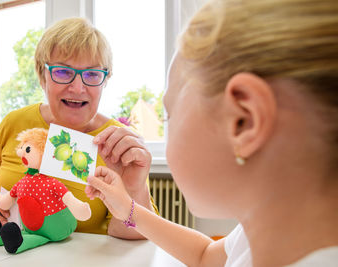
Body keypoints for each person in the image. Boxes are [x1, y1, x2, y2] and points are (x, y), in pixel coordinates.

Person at [85, 0, 338, 266]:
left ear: (243, 121)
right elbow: (205, 256)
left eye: (169, 114)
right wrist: (128, 208)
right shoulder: (277, 225)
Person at [0, 17, 157, 240]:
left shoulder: (119, 144)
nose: (78, 87)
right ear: (42, 75)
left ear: (105, 81)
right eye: (63, 72)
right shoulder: (14, 122)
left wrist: (134, 188)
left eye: (92, 74)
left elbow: (133, 233)